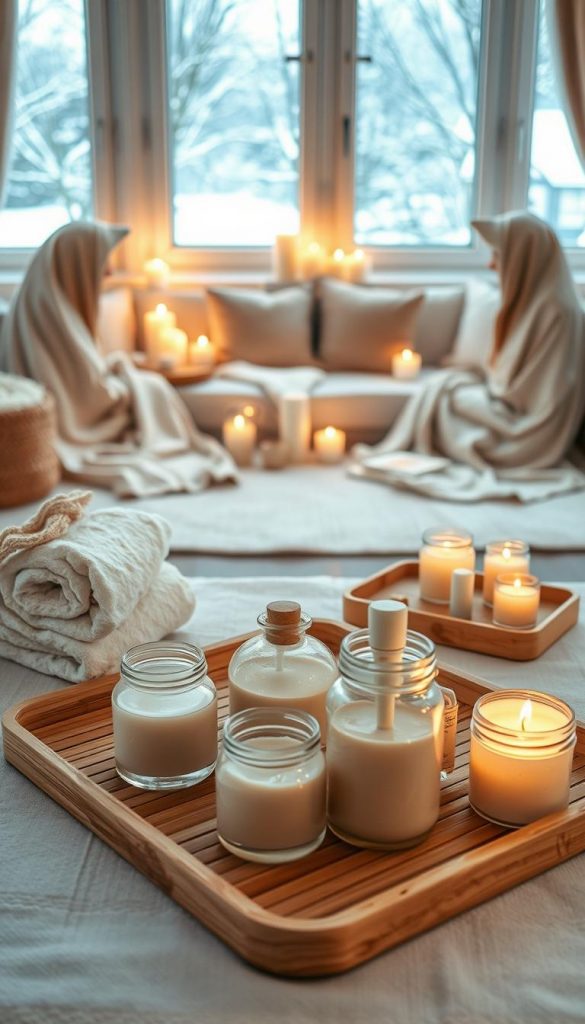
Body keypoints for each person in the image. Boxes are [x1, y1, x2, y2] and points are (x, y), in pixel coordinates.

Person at [353, 211, 585, 502]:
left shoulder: (557, 313)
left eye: (498, 256)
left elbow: (538, 397)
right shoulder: (532, 303)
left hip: (526, 427)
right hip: (507, 404)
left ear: (523, 258)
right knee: (447, 385)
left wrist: (486, 384)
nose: (491, 264)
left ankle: (444, 451)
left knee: (448, 392)